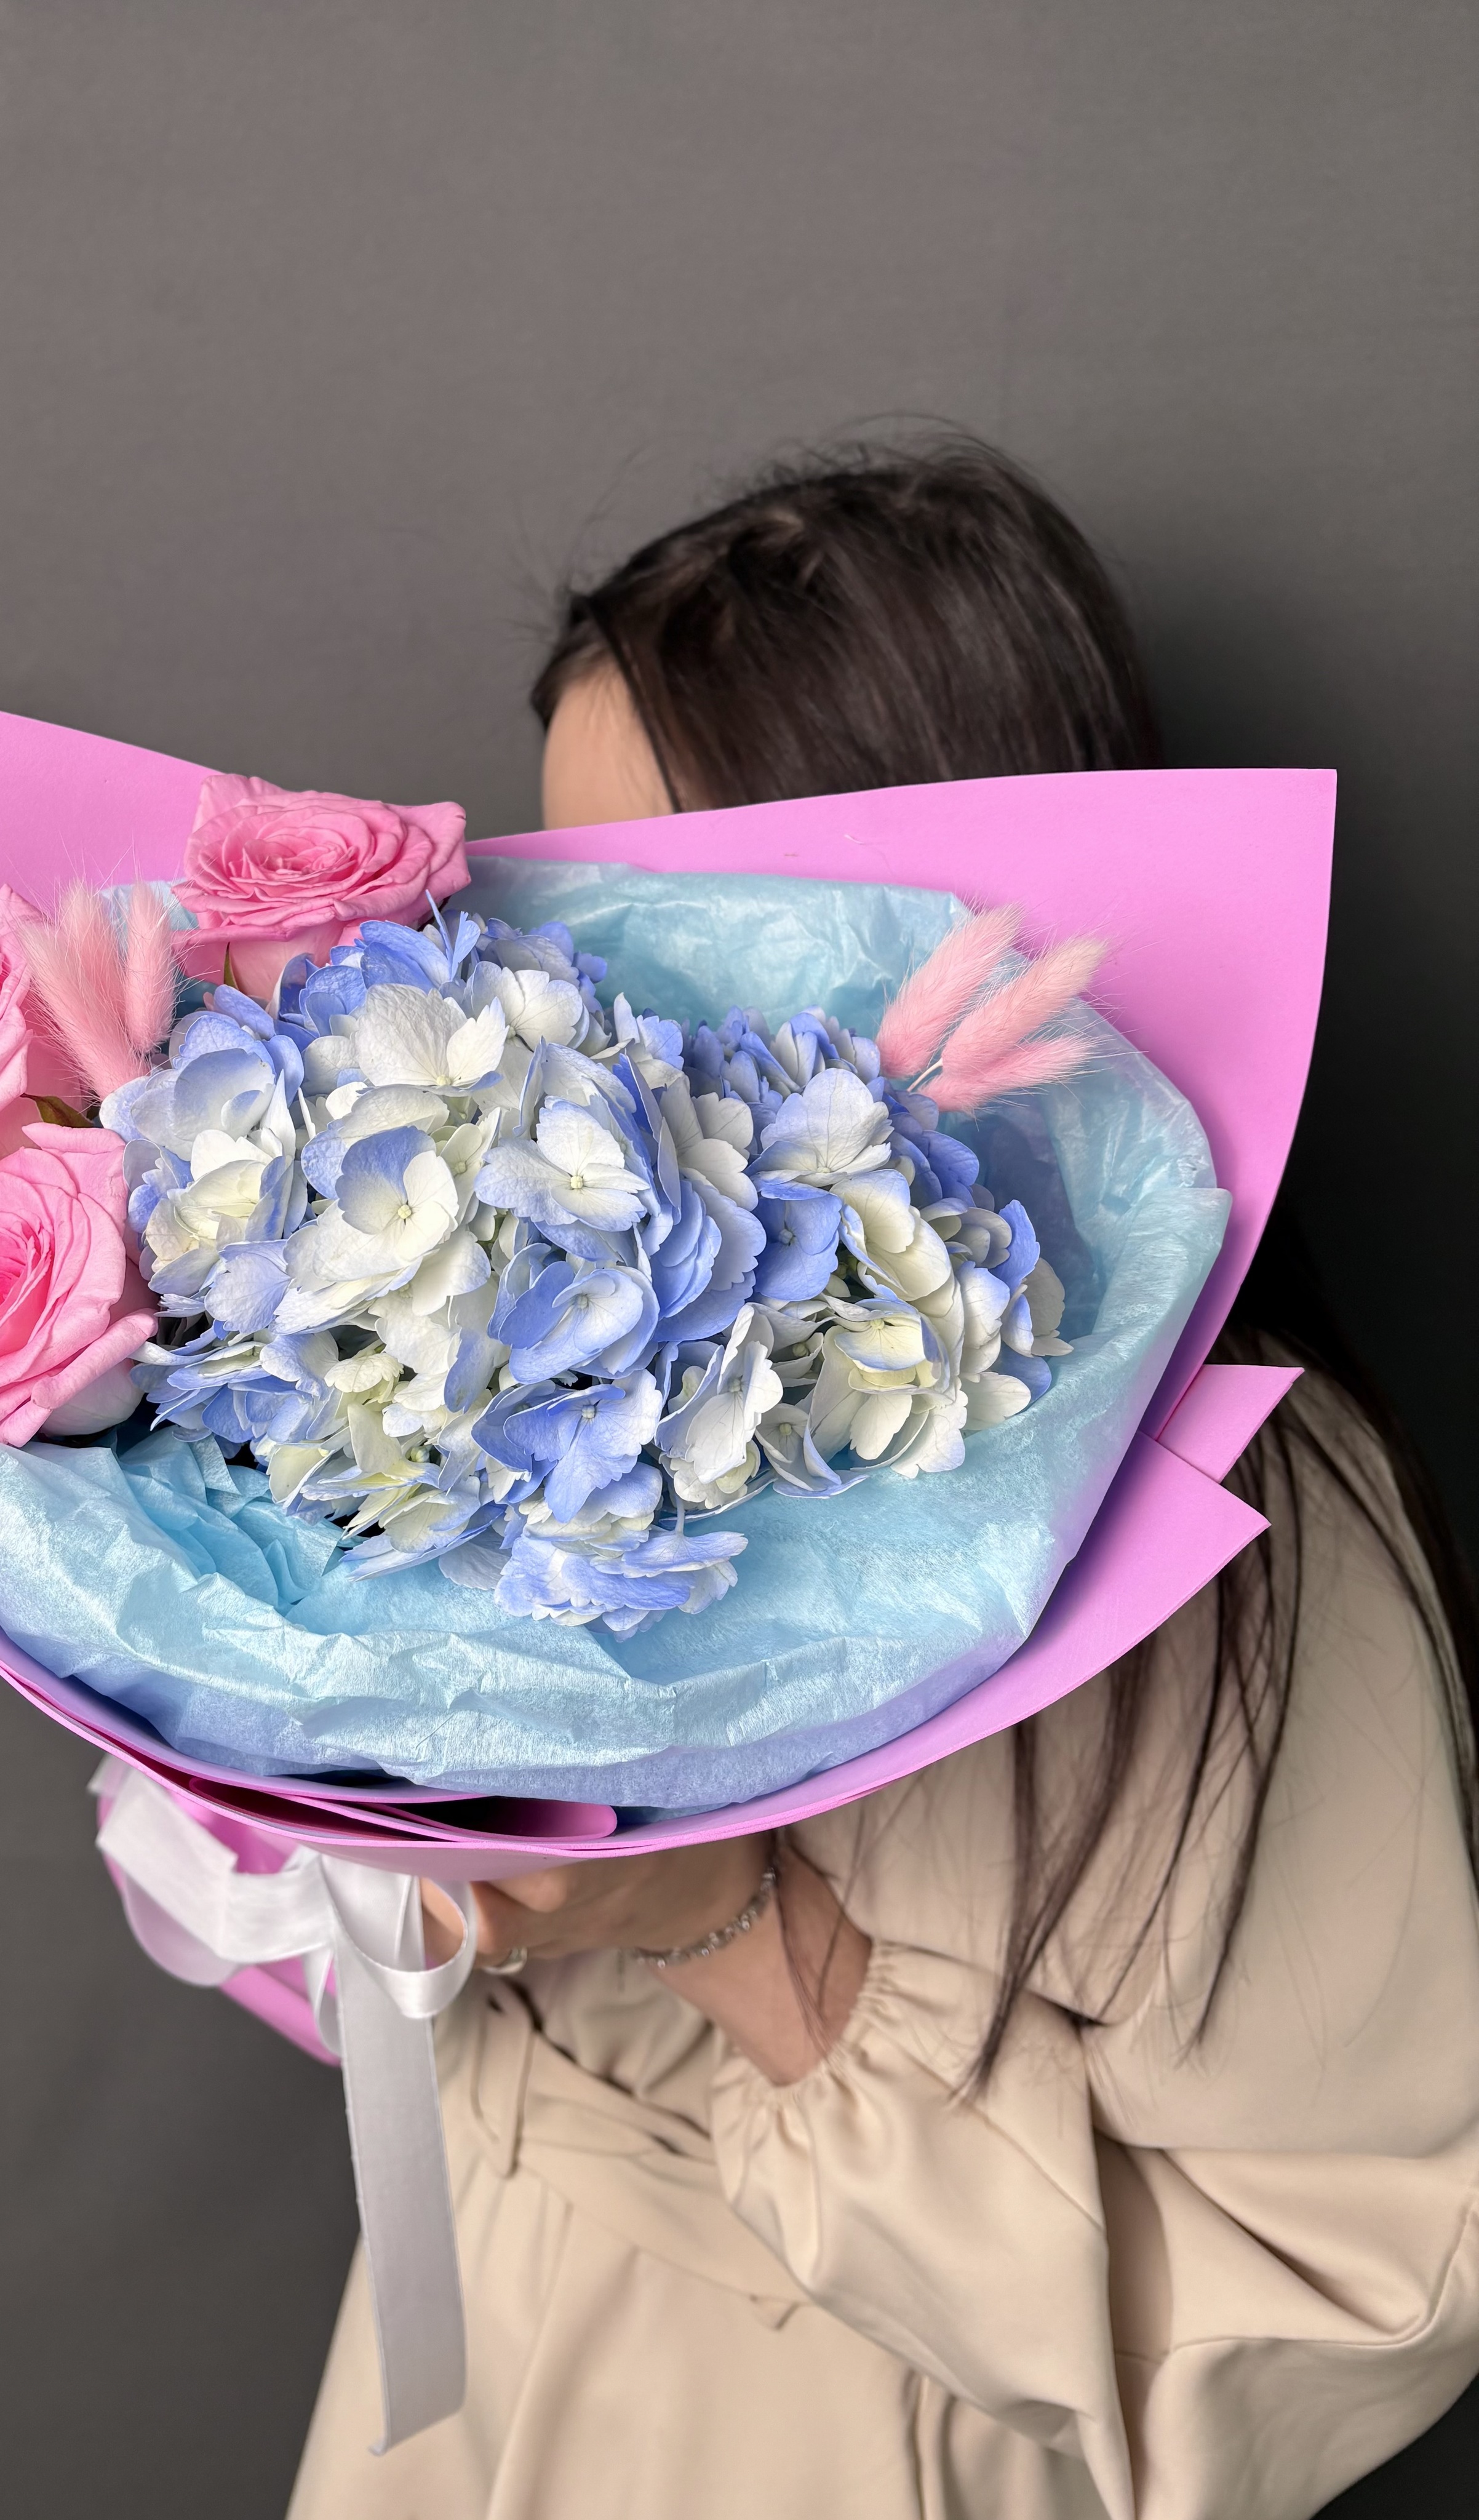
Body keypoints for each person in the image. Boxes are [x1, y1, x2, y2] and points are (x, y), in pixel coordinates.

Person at [289, 442, 1479, 2520]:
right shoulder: (514, 1334)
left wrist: (723, 1925)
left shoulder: (1255, 1518)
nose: (597, 993)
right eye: (563, 903)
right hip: (470, 2351)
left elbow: (1343, 2307)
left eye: (685, 904)